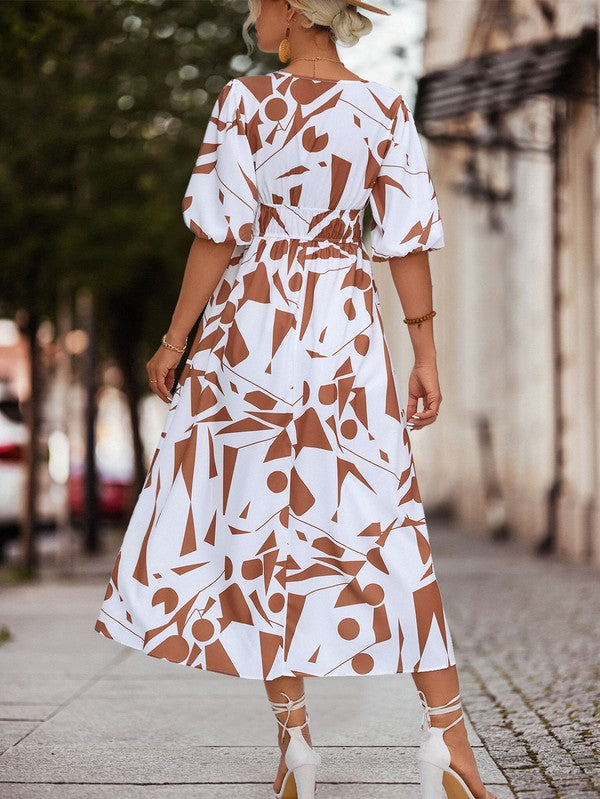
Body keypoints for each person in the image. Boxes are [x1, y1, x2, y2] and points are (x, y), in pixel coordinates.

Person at [94, 1, 499, 798]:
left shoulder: (243, 103)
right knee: (386, 520)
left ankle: (297, 747)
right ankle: (449, 736)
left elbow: (217, 234)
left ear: (290, 9)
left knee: (259, 531)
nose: (253, 15)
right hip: (343, 328)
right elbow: (407, 237)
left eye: (258, 1)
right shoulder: (383, 106)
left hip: (251, 332)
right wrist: (424, 352)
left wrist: (175, 340)